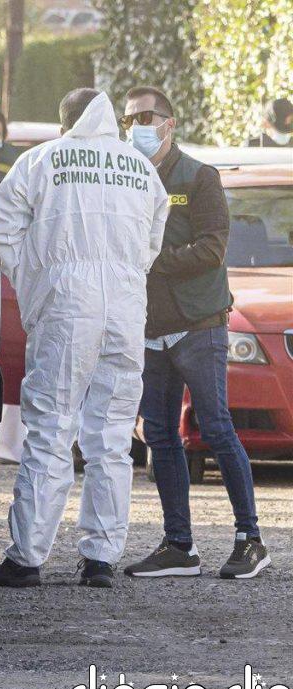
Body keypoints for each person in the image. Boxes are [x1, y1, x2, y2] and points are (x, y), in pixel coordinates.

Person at [0, 89, 168, 589]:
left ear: (63, 123)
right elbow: (152, 243)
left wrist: (35, 282)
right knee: (111, 436)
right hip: (126, 311)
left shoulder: (40, 160)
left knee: (51, 427)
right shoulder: (140, 168)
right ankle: (101, 558)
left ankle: (27, 557)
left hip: (66, 308)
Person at [121, 86, 271, 580]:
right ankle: (179, 546)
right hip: (151, 327)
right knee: (161, 436)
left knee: (216, 426)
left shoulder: (198, 177)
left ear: (169, 123)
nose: (138, 125)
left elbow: (212, 248)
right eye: (130, 119)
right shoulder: (127, 177)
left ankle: (250, 539)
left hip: (198, 325)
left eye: (148, 116)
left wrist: (153, 262)